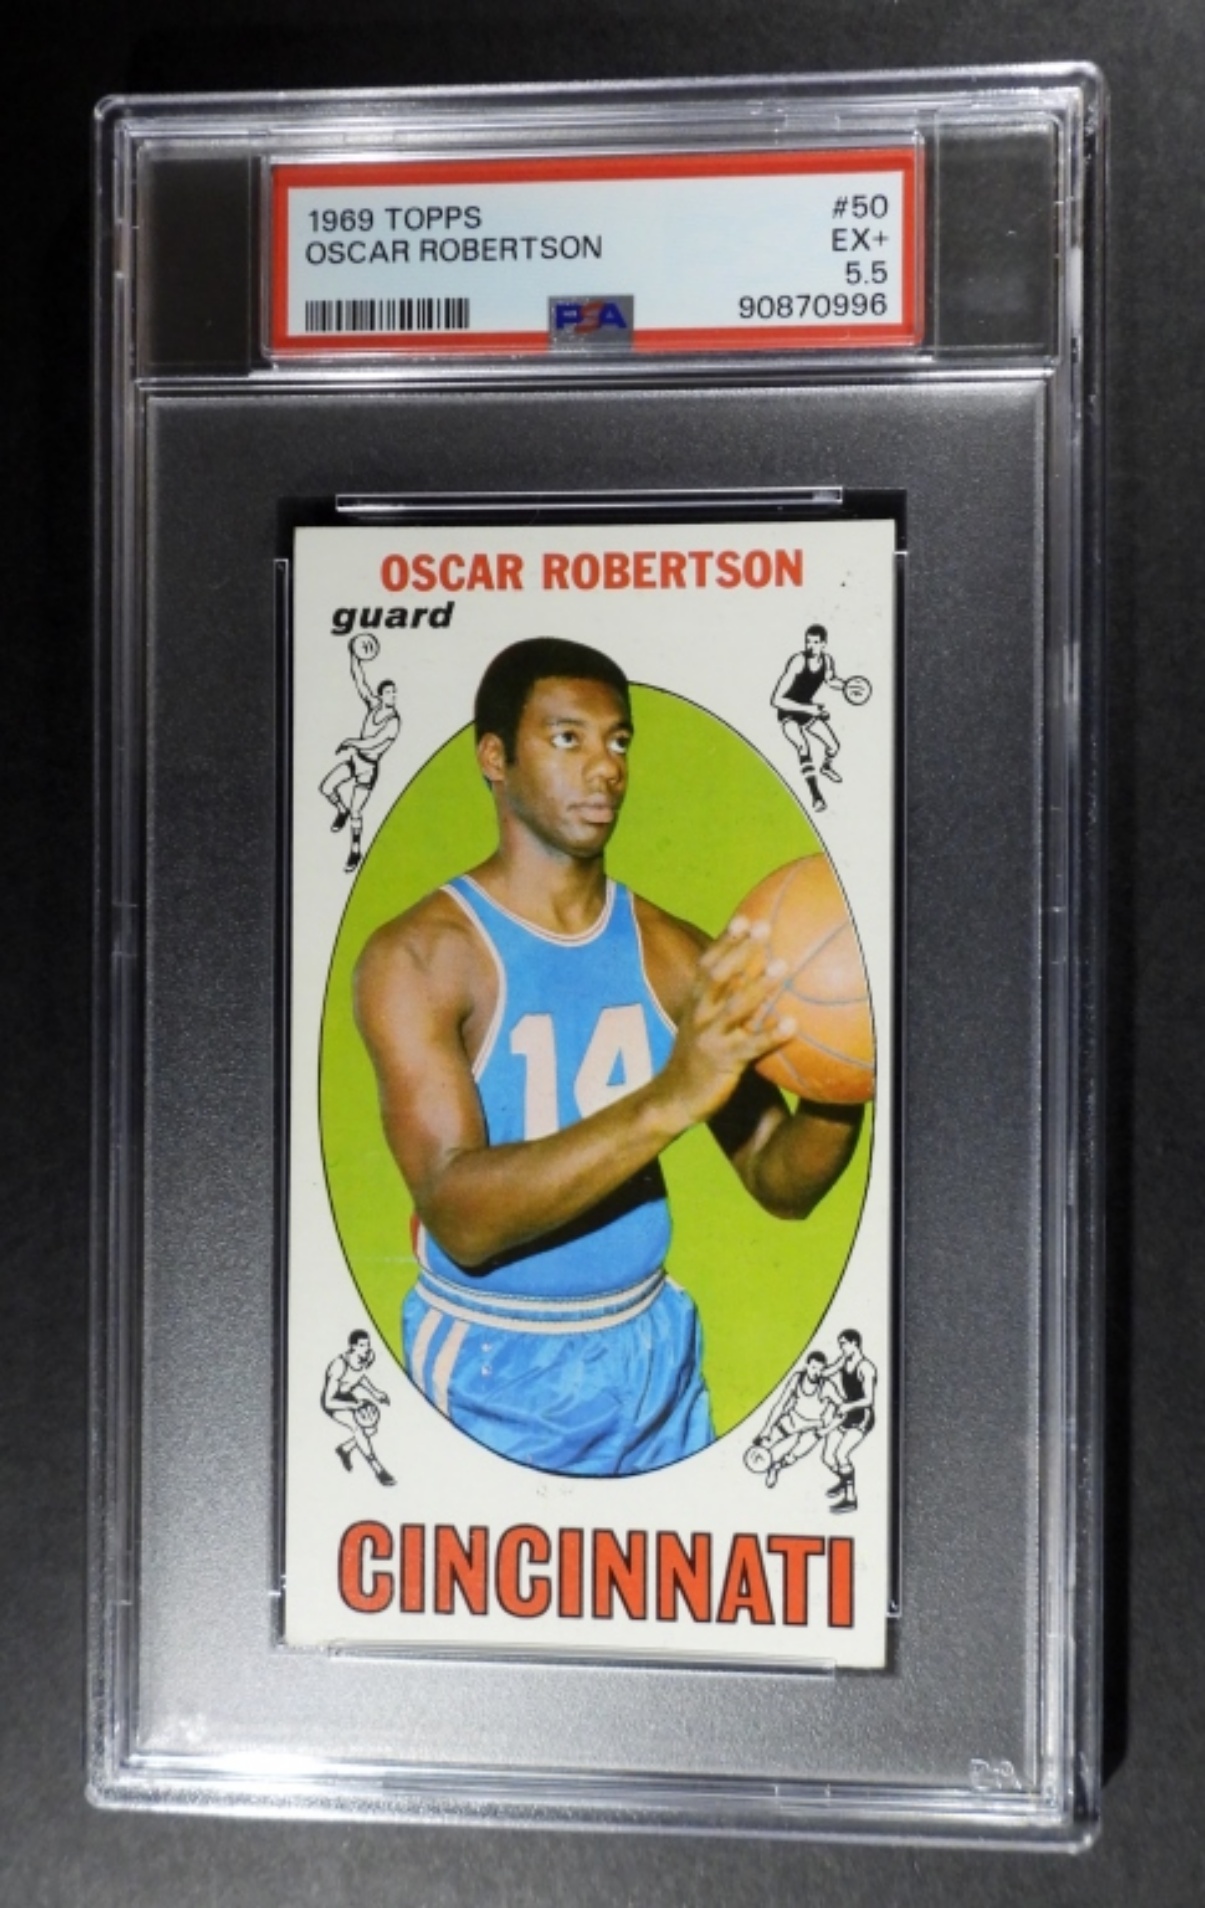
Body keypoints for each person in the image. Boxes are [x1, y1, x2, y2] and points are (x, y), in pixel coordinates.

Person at [354, 638, 864, 1477]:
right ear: (495, 758)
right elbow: (458, 1215)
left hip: (652, 1350)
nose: (604, 768)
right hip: (497, 1362)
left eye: (617, 741)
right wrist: (672, 1096)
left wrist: (844, 1070)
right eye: (567, 738)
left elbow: (780, 1180)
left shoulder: (672, 952)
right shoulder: (420, 955)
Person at [319, 641, 401, 872]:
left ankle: (355, 851)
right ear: (381, 695)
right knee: (326, 788)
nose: (393, 696)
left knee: (357, 812)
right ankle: (340, 809)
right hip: (355, 761)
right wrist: (354, 656)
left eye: (394, 692)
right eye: (389, 692)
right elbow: (359, 681)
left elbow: (373, 742)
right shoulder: (374, 705)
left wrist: (350, 742)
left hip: (368, 768)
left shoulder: (393, 722)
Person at [771, 624, 847, 814]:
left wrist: (846, 686)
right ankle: (816, 796)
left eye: (815, 642)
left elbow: (831, 680)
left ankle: (826, 767)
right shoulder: (798, 661)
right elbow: (776, 700)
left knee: (834, 747)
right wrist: (810, 709)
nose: (810, 646)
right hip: (788, 711)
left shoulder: (827, 660)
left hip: (808, 709)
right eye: (808, 642)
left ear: (824, 644)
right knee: (803, 746)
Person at [744, 1349, 837, 1489]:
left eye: (820, 1369)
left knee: (796, 1453)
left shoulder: (827, 1386)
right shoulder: (797, 1378)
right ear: (806, 1365)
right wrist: (767, 1428)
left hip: (813, 1426)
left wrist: (827, 1424)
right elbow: (780, 1404)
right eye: (813, 1367)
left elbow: (843, 1406)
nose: (816, 1372)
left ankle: (776, 1468)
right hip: (794, 1419)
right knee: (765, 1442)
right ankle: (762, 1464)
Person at [321, 1329, 395, 1485]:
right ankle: (379, 1470)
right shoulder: (339, 1365)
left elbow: (360, 1377)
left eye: (367, 1344)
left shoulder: (368, 1357)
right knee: (358, 1428)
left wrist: (376, 1393)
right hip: (335, 1402)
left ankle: (345, 1449)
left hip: (348, 1397)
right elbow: (328, 1401)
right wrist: (353, 1405)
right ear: (353, 1346)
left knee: (371, 1429)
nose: (366, 1348)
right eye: (362, 1345)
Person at [820, 1329, 877, 1513]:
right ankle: (845, 1481)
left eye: (844, 1344)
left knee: (841, 1455)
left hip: (862, 1417)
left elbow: (869, 1400)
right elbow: (829, 1371)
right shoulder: (844, 1360)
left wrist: (848, 1406)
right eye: (840, 1344)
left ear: (854, 1343)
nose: (841, 1347)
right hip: (847, 1413)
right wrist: (815, 1370)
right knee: (827, 1457)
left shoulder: (866, 1367)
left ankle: (850, 1498)